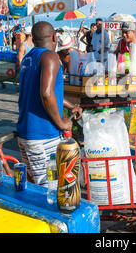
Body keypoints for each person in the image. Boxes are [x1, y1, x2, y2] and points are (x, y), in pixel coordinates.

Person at [17, 21, 82, 186]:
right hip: (43, 136)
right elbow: (46, 94)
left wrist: (70, 106)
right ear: (54, 37)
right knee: (49, 191)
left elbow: (45, 93)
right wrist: (61, 123)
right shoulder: (50, 56)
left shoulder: (28, 58)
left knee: (33, 188)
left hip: (26, 133)